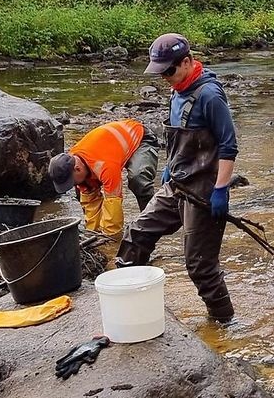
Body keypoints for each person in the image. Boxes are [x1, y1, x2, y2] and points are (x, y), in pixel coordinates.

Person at [115, 33, 238, 323]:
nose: (165, 78)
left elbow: (228, 146)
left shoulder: (209, 95)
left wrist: (221, 190)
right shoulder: (176, 90)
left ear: (187, 61)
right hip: (177, 185)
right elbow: (177, 137)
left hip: (204, 192)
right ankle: (128, 303)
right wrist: (169, 167)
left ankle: (224, 325)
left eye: (169, 71)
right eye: (161, 72)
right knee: (137, 234)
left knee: (199, 266)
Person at [47, 119, 161, 236]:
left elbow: (113, 209)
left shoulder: (104, 166)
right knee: (82, 190)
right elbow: (90, 204)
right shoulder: (74, 162)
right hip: (112, 148)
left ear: (77, 169)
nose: (73, 185)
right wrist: (92, 235)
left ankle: (153, 222)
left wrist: (110, 240)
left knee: (138, 179)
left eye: (72, 181)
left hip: (140, 138)